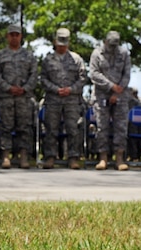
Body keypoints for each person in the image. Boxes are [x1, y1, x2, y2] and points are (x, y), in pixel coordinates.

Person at [0, 23, 38, 169]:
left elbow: (34, 75)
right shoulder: (0, 55)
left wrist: (24, 89)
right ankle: (6, 156)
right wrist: (8, 87)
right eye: (11, 34)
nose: (14, 37)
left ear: (21, 36)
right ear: (7, 36)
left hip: (24, 98)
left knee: (24, 127)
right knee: (6, 126)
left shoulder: (29, 55)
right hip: (6, 97)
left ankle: (23, 156)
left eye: (16, 35)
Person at [40, 27, 86, 169]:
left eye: (64, 44)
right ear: (55, 42)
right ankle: (50, 157)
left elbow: (83, 78)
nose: (62, 47)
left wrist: (71, 89)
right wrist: (55, 89)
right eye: (59, 44)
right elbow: (43, 79)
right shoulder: (48, 59)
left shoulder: (77, 59)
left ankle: (73, 157)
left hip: (72, 100)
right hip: (53, 99)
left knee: (73, 129)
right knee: (51, 129)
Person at [89, 30, 131, 171]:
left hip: (120, 94)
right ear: (105, 41)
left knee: (121, 127)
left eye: (115, 45)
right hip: (101, 95)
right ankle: (103, 157)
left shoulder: (124, 53)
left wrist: (117, 91)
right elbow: (94, 74)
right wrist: (110, 86)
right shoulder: (97, 54)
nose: (113, 48)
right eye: (110, 45)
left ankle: (119, 158)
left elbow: (127, 74)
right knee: (102, 127)